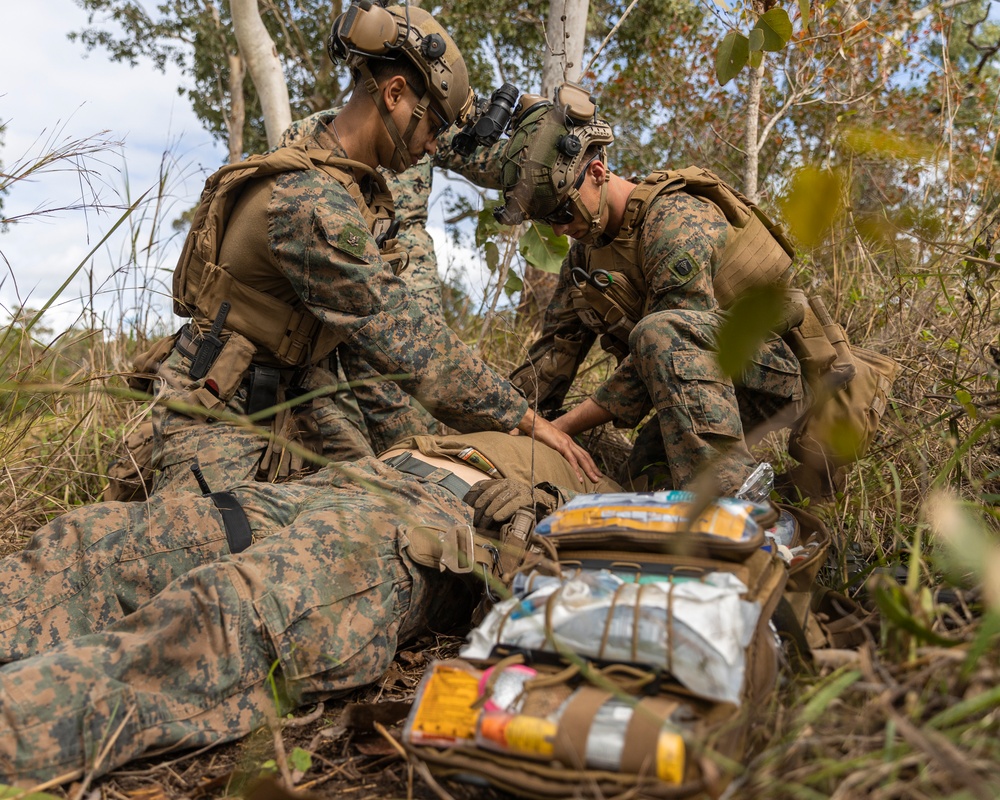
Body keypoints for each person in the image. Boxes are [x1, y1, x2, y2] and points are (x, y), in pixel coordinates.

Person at [117, 4, 598, 501]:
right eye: (432, 128)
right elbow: (406, 339)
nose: (434, 147)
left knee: (391, 509)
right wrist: (524, 418)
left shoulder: (347, 182)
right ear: (394, 95)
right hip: (220, 404)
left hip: (295, 391)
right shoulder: (311, 201)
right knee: (219, 547)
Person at [0, 431, 621, 784]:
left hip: (431, 524)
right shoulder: (510, 419)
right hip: (344, 479)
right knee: (96, 544)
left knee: (237, 609)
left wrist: (541, 521)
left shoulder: (614, 490)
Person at [495, 83, 811, 497]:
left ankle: (733, 496)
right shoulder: (583, 260)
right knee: (644, 476)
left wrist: (560, 429)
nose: (556, 228)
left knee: (659, 333)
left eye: (561, 210)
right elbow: (553, 355)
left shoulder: (673, 220)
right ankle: (760, 514)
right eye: (544, 219)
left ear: (596, 173)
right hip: (694, 387)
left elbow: (676, 345)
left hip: (770, 371)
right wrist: (511, 419)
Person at [275, 114, 503, 454]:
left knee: (411, 368)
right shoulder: (305, 132)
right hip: (336, 252)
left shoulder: (424, 124)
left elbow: (490, 163)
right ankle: (379, 467)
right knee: (332, 383)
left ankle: (424, 459)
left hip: (404, 253)